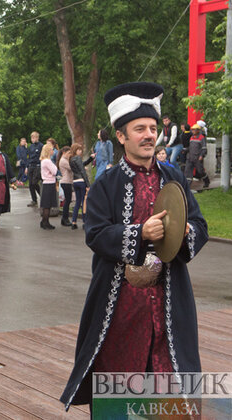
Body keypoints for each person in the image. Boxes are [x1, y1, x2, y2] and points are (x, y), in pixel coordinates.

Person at [61, 82, 208, 412]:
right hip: (121, 308)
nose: (148, 135)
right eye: (139, 128)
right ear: (121, 136)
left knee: (173, 387)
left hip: (170, 303)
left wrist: (185, 233)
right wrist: (140, 233)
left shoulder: (174, 178)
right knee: (118, 385)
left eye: (153, 128)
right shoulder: (105, 184)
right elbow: (95, 234)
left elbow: (201, 225)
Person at [69, 143, 90, 230]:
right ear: (76, 150)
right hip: (81, 181)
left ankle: (74, 222)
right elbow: (82, 170)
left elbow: (81, 165)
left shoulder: (71, 159)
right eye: (79, 150)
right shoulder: (77, 158)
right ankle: (85, 222)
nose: (81, 151)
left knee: (77, 202)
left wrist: (91, 158)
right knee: (84, 202)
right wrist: (88, 184)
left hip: (75, 181)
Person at [184, 123, 210, 188]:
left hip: (197, 158)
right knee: (188, 171)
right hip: (190, 157)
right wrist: (185, 150)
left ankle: (207, 181)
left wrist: (201, 156)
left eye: (194, 130)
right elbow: (190, 147)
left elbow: (204, 148)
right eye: (192, 130)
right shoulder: (192, 137)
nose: (192, 131)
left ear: (198, 130)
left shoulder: (201, 138)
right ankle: (187, 185)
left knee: (200, 171)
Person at [39, 143, 57, 229]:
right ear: (48, 151)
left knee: (47, 204)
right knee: (47, 205)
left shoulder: (43, 160)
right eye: (52, 149)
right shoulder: (47, 161)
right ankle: (45, 222)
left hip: (46, 183)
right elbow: (55, 171)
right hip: (49, 183)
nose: (53, 151)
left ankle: (44, 221)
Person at [25, 131, 43, 206]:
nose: (32, 139)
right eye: (32, 138)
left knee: (34, 182)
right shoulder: (31, 146)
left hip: (37, 165)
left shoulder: (41, 146)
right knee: (30, 184)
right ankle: (34, 200)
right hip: (31, 165)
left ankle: (42, 196)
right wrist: (27, 167)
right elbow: (28, 157)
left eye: (34, 137)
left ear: (37, 138)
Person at [57, 146, 73, 227]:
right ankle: (65, 218)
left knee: (67, 200)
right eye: (68, 153)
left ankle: (64, 219)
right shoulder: (63, 161)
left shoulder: (65, 160)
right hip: (66, 182)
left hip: (67, 182)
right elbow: (72, 168)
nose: (70, 155)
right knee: (67, 201)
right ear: (64, 153)